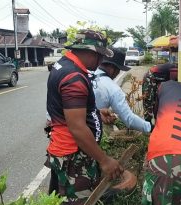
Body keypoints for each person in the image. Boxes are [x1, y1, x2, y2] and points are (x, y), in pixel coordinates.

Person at [45, 29, 124, 204]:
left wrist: (94, 112)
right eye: (100, 56)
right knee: (81, 200)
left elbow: (68, 109)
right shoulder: (74, 78)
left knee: (60, 198)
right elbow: (77, 127)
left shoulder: (63, 65)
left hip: (63, 150)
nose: (101, 61)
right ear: (90, 52)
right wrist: (104, 160)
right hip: (73, 156)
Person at [92, 48, 151, 133]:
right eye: (119, 69)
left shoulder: (84, 73)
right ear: (113, 68)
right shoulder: (112, 89)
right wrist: (149, 127)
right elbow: (129, 119)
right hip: (93, 129)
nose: (118, 73)